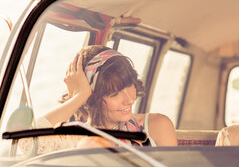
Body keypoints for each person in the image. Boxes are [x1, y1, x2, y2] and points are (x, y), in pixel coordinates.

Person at [29, 45, 177, 153]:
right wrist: (80, 96)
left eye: (129, 85)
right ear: (93, 97)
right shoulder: (76, 136)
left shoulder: (156, 125)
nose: (129, 100)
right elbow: (28, 143)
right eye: (115, 94)